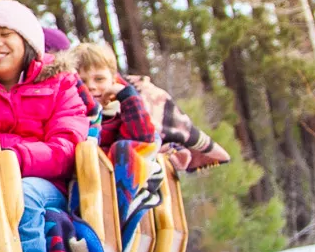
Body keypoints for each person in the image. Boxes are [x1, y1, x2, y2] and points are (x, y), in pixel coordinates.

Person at [0, 0, 89, 252]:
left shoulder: (59, 84)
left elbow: (65, 148)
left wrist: (13, 157)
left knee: (24, 194)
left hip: (45, 182)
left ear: (27, 40)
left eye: (5, 34)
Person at [69, 40, 232, 170]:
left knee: (135, 145)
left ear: (113, 79)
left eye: (99, 79)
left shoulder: (120, 111)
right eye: (83, 81)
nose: (91, 86)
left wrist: (127, 97)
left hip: (122, 177)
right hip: (88, 176)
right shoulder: (73, 114)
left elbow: (142, 138)